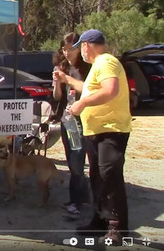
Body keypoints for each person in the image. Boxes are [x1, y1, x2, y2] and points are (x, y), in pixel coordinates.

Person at [65, 29, 131, 243]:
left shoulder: (106, 62)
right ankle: (100, 219)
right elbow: (89, 89)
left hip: (110, 130)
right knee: (97, 177)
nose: (81, 52)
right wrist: (67, 80)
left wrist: (82, 103)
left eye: (80, 47)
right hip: (96, 131)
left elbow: (110, 90)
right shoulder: (98, 66)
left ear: (86, 45)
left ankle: (118, 228)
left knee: (109, 176)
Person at [53, 33, 92, 217]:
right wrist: (57, 84)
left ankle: (78, 201)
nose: (67, 53)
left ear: (79, 48)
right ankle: (80, 198)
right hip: (65, 120)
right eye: (64, 49)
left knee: (77, 162)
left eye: (71, 49)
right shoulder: (63, 68)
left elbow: (88, 90)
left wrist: (68, 80)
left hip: (79, 121)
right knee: (71, 160)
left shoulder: (86, 69)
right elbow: (57, 98)